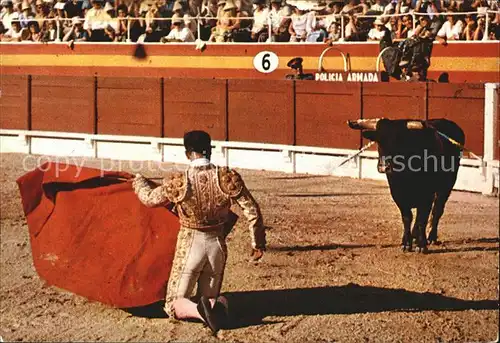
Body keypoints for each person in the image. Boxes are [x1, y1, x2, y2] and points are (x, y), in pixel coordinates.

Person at [132, 130, 266, 334]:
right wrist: (258, 244)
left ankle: (199, 311)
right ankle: (216, 306)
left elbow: (149, 199)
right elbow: (252, 211)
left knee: (173, 304)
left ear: (188, 154)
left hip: (190, 246)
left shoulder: (178, 181)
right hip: (217, 247)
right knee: (211, 297)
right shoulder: (228, 177)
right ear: (210, 150)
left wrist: (139, 182)